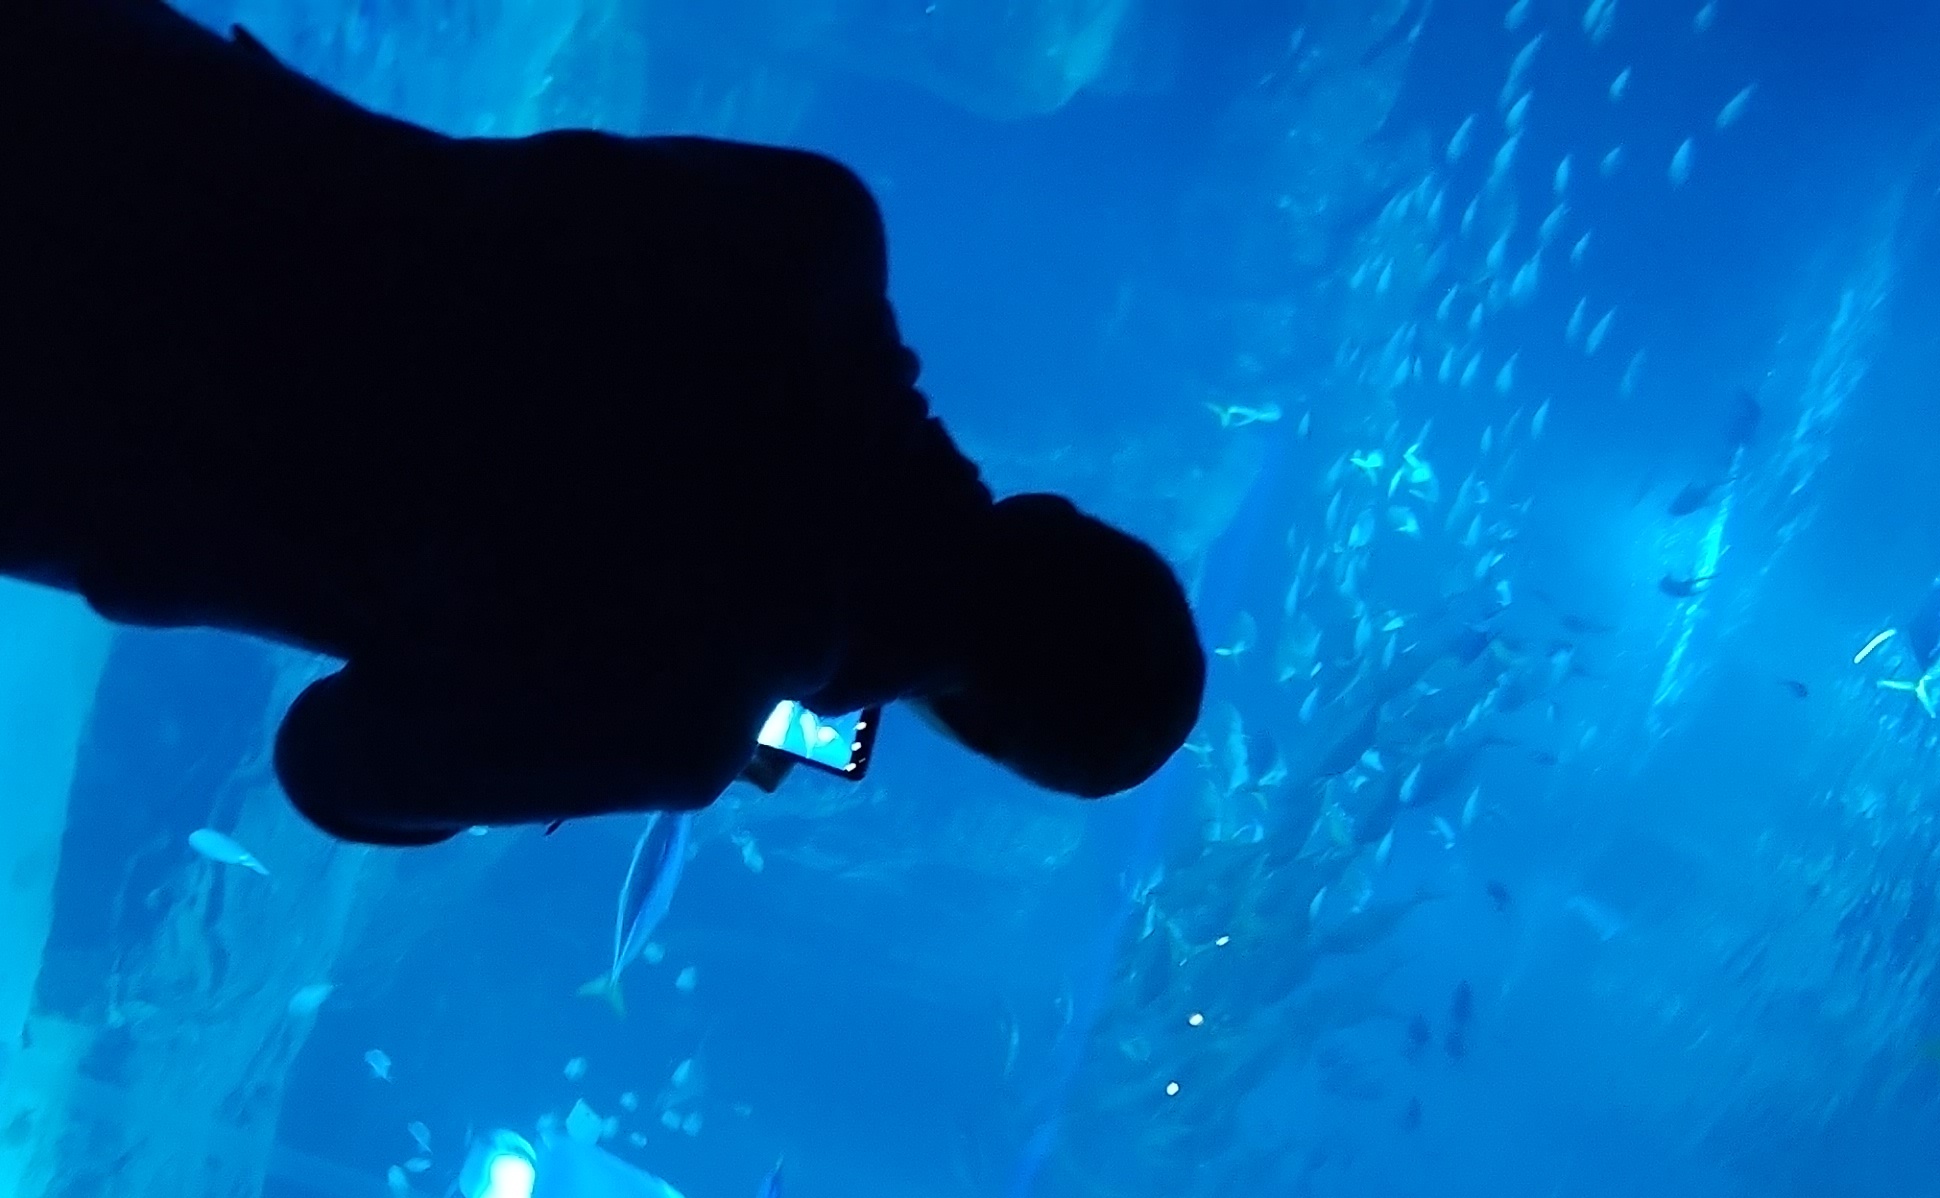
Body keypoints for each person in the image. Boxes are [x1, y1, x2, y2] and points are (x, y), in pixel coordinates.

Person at [3, 0, 1207, 846]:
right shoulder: (679, 710)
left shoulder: (814, 233)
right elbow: (333, 764)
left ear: (1051, 515)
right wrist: (625, 741)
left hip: (131, 108)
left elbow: (538, 192)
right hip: (74, 431)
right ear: (976, 730)